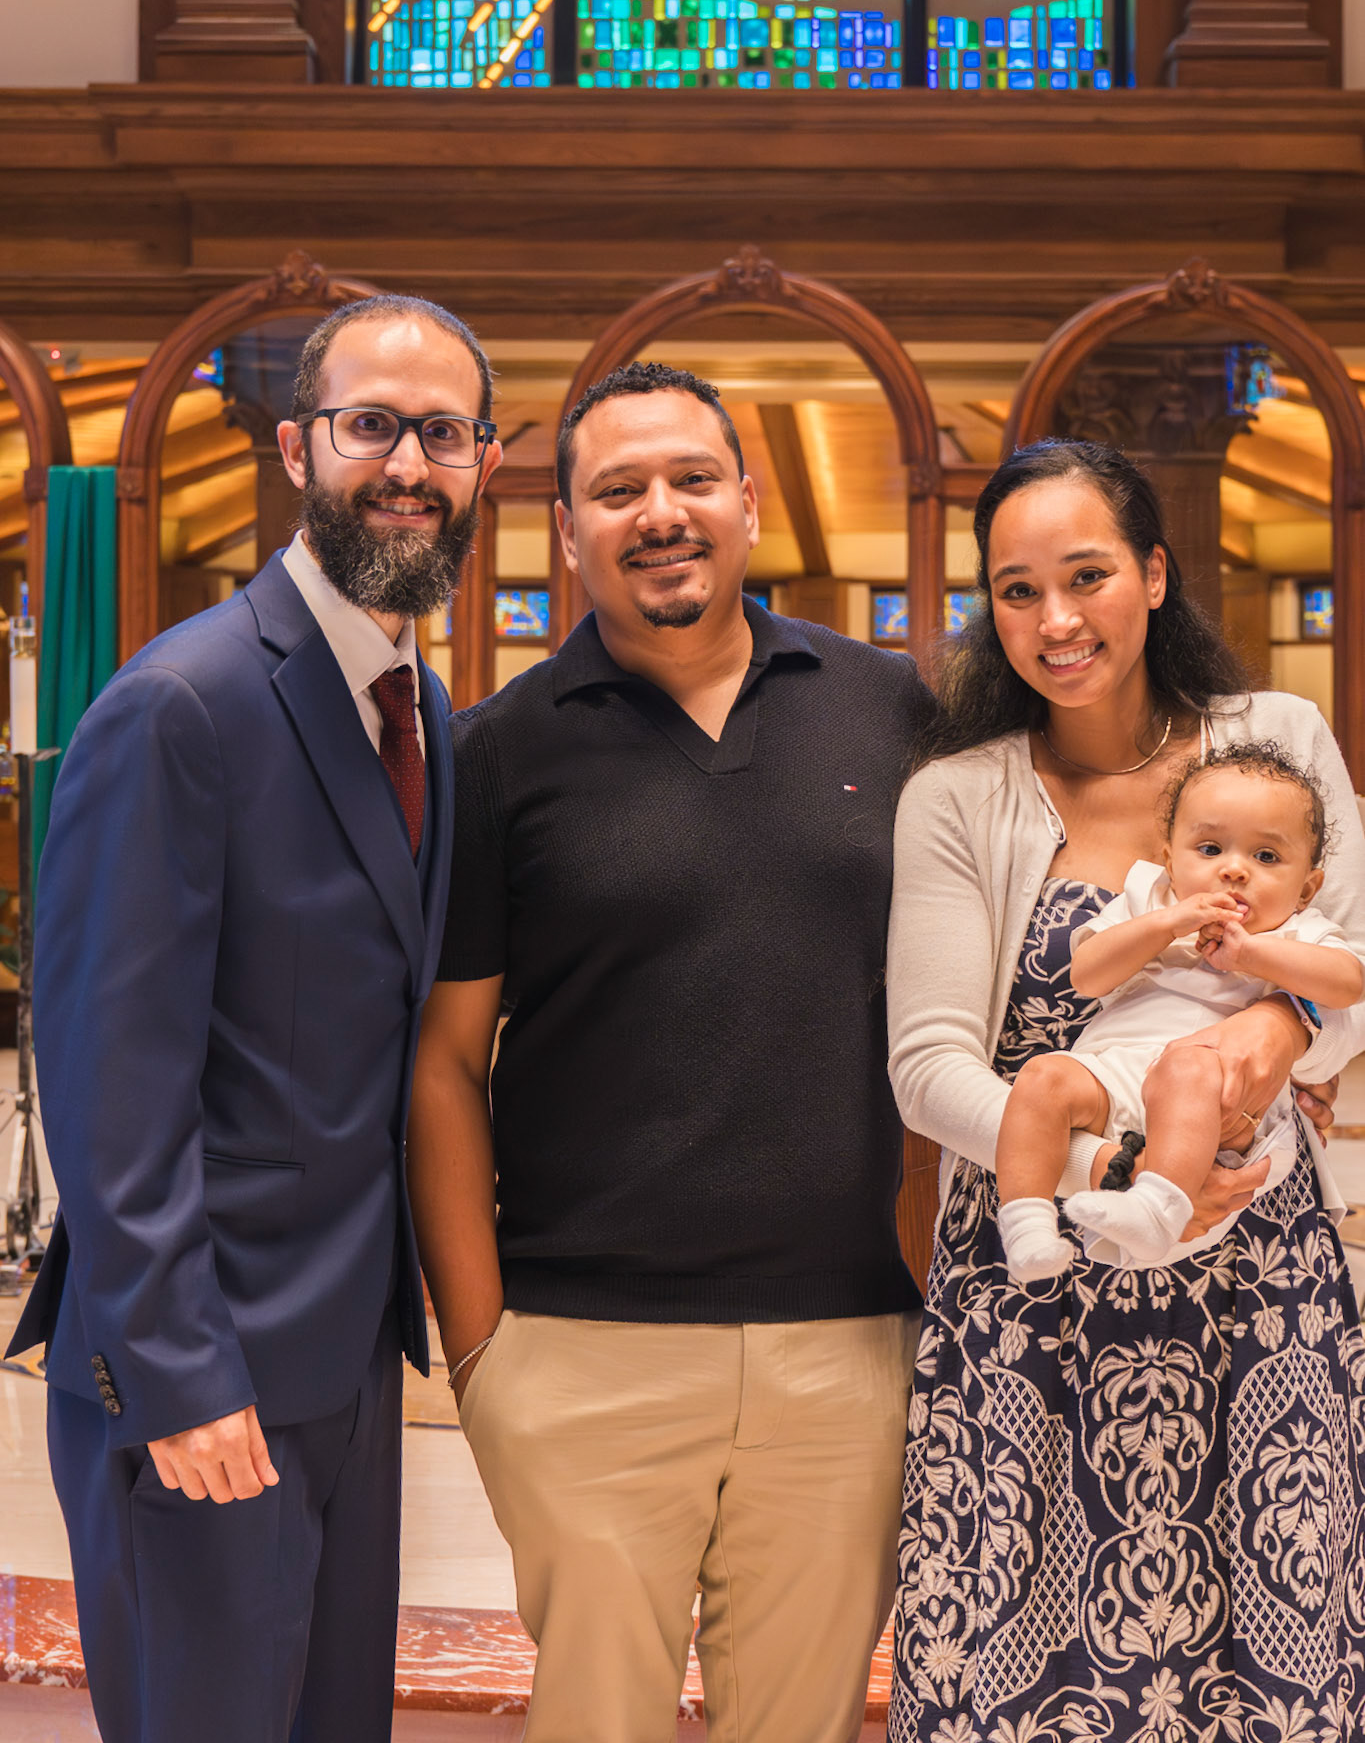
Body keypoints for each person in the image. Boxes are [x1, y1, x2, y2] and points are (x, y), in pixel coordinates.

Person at [409, 360, 931, 1743]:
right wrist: (482, 1353)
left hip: (846, 1344)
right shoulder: (496, 752)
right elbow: (445, 1062)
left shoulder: (891, 711)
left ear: (747, 503)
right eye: (617, 488)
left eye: (692, 478)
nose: (660, 512)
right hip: (581, 1351)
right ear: (566, 527)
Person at [6, 293, 502, 1743]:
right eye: (371, 425)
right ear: (297, 448)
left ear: (484, 462)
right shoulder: (184, 703)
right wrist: (181, 1378)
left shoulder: (421, 708)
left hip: (343, 1353)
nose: (407, 464)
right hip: (205, 1365)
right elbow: (108, 1078)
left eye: (443, 433)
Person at [884, 438, 1365, 1743]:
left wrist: (1271, 1031)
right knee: (1019, 1674)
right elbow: (928, 1068)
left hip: (1253, 1283)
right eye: (1018, 588)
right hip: (1032, 1287)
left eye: (1087, 574)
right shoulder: (956, 796)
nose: (1056, 618)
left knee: (1259, 1672)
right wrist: (1109, 1167)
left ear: (1153, 574)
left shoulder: (1276, 740)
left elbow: (1352, 971)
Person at [999, 741, 1363, 1278]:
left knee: (1187, 1065)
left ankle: (1156, 1208)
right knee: (1042, 1078)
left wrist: (1252, 955)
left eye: (1266, 857)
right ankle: (1027, 1227)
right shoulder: (1150, 903)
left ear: (1307, 888)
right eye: (1210, 849)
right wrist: (1164, 925)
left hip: (1217, 1098)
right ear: (1169, 860)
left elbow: (1349, 983)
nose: (1233, 870)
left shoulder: (1297, 929)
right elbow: (1086, 975)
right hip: (1115, 1073)